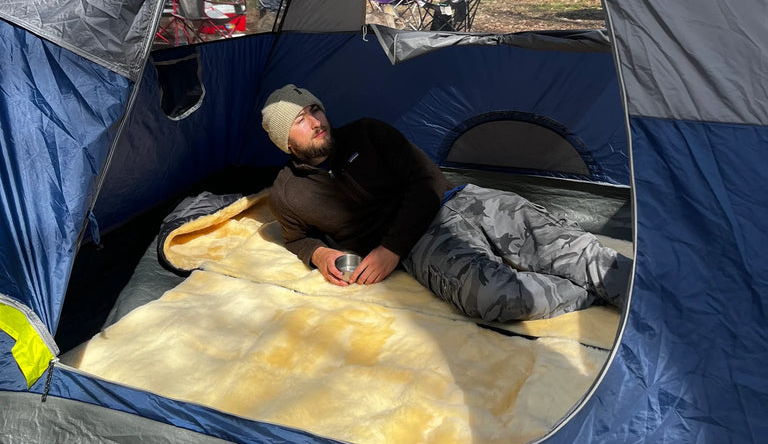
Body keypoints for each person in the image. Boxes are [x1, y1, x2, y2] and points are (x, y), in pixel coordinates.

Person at [261, 84, 631, 323]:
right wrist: (320, 255)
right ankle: (590, 293)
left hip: (461, 199)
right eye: (299, 119)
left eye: (315, 110)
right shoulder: (288, 193)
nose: (314, 121)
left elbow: (429, 179)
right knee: (496, 297)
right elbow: (297, 239)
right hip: (426, 244)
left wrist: (390, 248)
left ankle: (656, 296)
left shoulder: (367, 133)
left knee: (572, 250)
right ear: (285, 142)